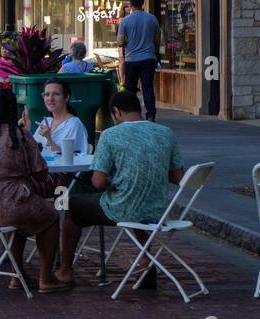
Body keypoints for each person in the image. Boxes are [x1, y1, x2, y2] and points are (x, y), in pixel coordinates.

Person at [55, 90, 184, 289]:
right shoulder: (165, 132)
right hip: (158, 209)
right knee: (135, 200)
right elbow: (178, 177)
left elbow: (98, 182)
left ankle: (65, 270)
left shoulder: (110, 135)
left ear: (116, 112)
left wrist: (115, 179)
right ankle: (145, 263)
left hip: (123, 207)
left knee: (71, 204)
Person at [0, 86, 67, 292]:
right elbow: (41, 175)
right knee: (49, 217)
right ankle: (46, 278)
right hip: (9, 206)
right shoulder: (18, 136)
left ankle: (18, 276)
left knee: (17, 217)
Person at [118, 0, 160, 120]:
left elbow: (120, 42)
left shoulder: (125, 21)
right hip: (148, 58)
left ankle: (132, 114)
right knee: (147, 87)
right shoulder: (152, 18)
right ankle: (151, 114)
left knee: (130, 89)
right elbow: (157, 40)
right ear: (143, 3)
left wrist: (128, 40)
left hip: (132, 59)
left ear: (130, 4)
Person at [25, 78, 89, 160]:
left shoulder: (74, 125)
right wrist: (26, 130)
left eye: (56, 94)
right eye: (47, 94)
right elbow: (32, 151)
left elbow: (74, 160)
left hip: (59, 171)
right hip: (42, 170)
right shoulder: (46, 121)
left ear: (66, 97)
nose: (50, 99)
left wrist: (49, 139)